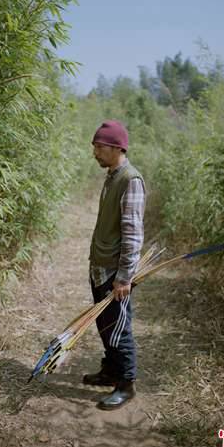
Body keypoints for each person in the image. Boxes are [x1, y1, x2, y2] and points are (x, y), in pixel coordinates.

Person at [84, 120, 146, 410]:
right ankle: (110, 371)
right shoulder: (112, 176)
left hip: (114, 272)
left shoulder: (130, 180)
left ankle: (126, 384)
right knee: (105, 325)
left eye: (99, 147)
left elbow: (132, 234)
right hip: (100, 266)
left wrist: (123, 278)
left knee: (119, 328)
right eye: (94, 146)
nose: (95, 152)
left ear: (117, 147)